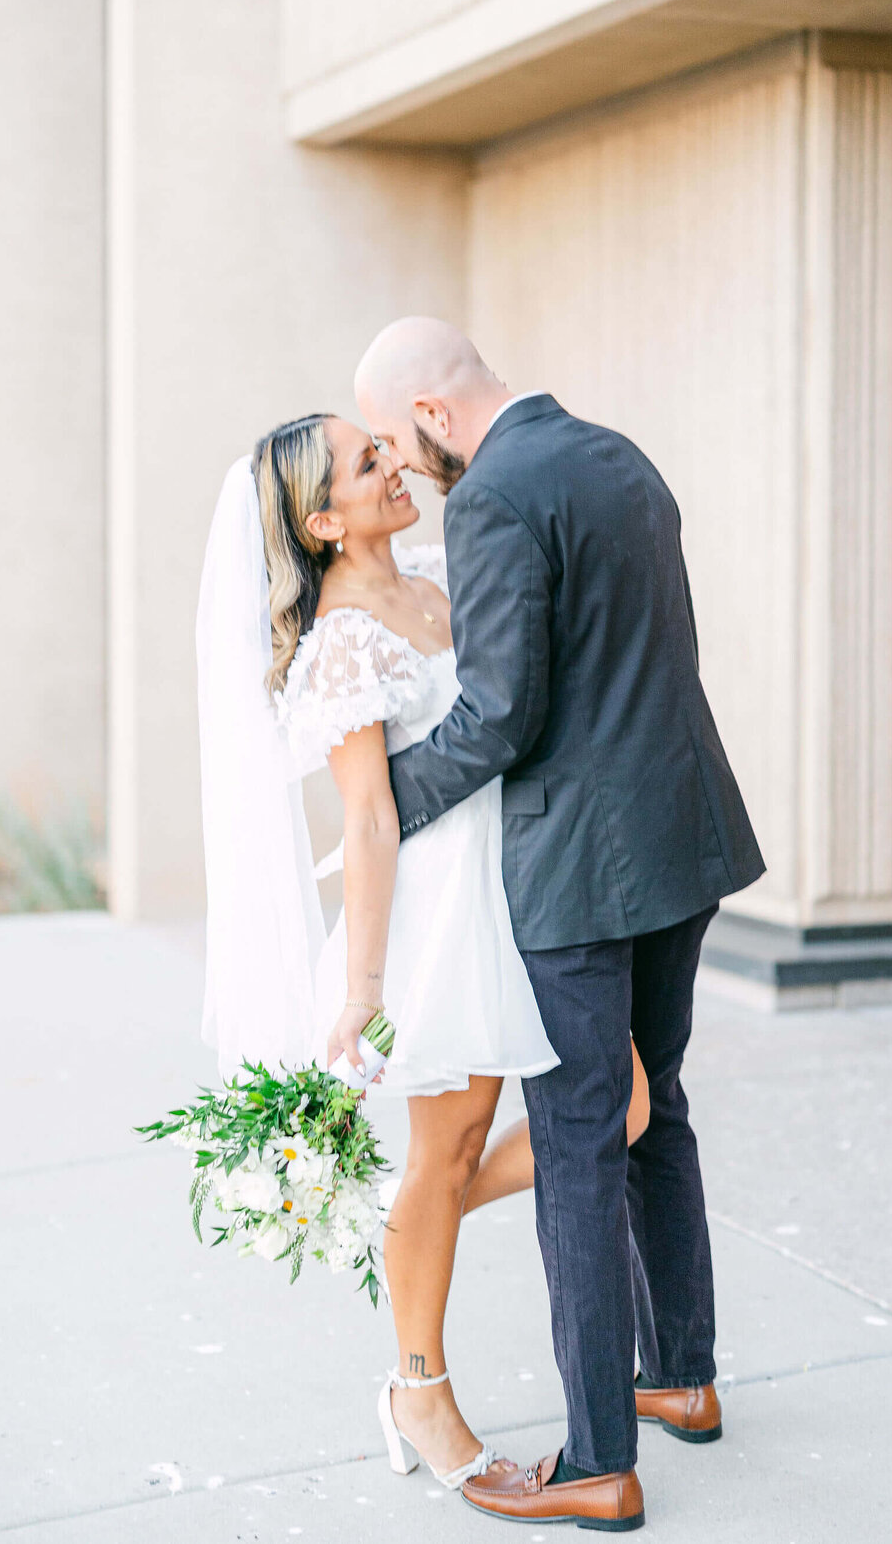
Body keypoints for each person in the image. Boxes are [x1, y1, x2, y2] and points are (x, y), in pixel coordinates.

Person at [353, 317, 766, 1533]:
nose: (405, 468)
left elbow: (499, 714)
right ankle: (679, 1374)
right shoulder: (617, 453)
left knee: (578, 1141)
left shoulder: (493, 500)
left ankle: (597, 1456)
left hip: (583, 869)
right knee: (660, 1107)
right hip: (683, 835)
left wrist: (380, 807)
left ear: (431, 413)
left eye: (393, 440)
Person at [196, 414, 650, 1495]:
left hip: (522, 884)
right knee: (450, 1155)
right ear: (322, 520)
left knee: (620, 1104)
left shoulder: (441, 574)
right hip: (437, 916)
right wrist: (362, 991)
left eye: (381, 444)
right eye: (366, 463)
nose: (391, 462)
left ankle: (414, 1216)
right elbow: (364, 820)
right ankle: (419, 1387)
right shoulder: (344, 637)